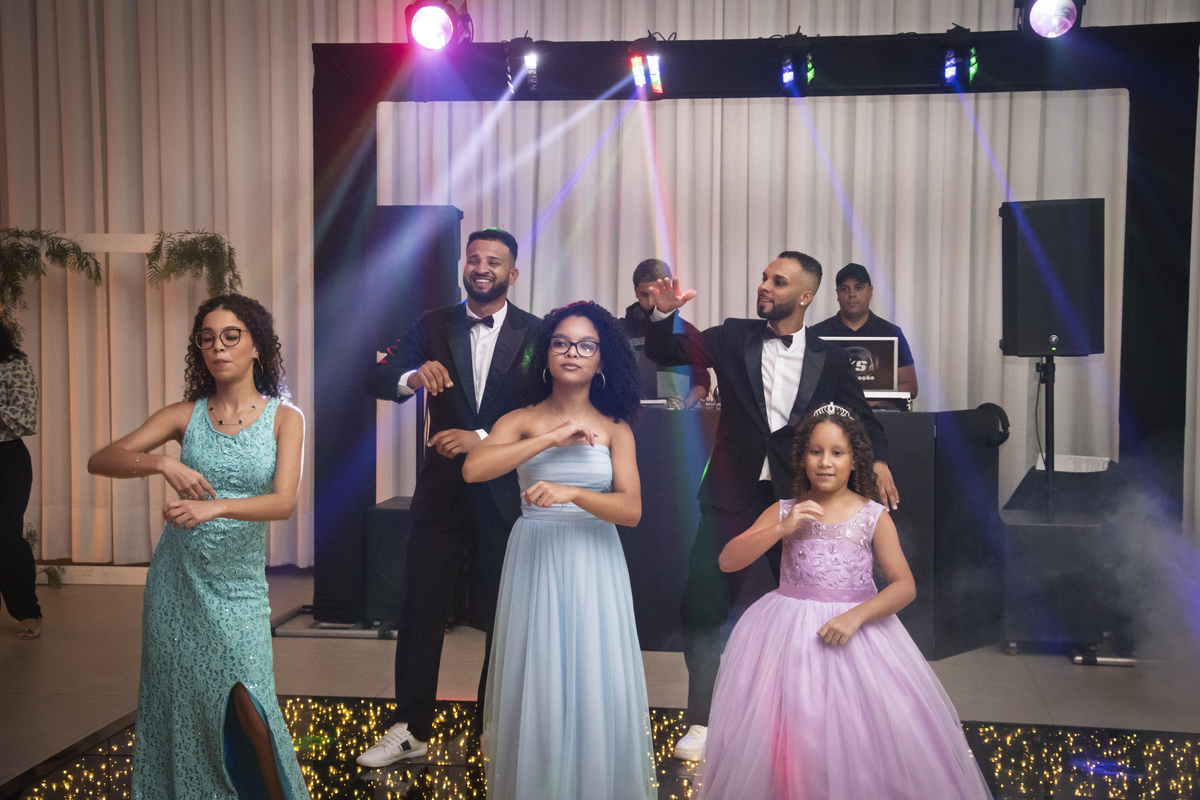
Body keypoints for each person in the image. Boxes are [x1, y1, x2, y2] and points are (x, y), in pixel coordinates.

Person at [644, 250, 900, 761]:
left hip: (800, 497)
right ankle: (702, 721)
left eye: (778, 281)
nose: (764, 286)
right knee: (702, 605)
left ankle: (815, 721)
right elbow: (667, 351)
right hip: (731, 493)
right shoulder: (731, 336)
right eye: (763, 277)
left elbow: (863, 419)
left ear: (805, 296)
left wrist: (880, 461)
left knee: (810, 609)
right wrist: (661, 315)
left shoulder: (829, 357)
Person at [698, 407, 991, 799]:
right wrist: (782, 527)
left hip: (858, 634)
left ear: (854, 461)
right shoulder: (784, 509)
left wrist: (856, 616)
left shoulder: (872, 516)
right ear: (802, 457)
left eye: (837, 453)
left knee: (859, 734)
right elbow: (727, 560)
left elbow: (904, 586)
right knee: (795, 732)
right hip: (786, 637)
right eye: (816, 451)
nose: (825, 462)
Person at [87, 294, 308, 800]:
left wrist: (214, 507)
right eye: (207, 339)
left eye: (231, 336)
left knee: (251, 706)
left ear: (257, 345)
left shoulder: (285, 418)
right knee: (183, 705)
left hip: (238, 589)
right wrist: (162, 463)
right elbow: (102, 459)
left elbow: (283, 503)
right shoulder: (184, 415)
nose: (218, 348)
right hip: (178, 584)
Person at [358, 228, 542, 767]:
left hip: (506, 495)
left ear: (513, 273)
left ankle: (492, 726)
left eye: (495, 261)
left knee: (502, 615)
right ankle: (410, 728)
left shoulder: (536, 332)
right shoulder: (434, 324)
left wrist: (482, 438)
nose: (482, 267)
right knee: (421, 608)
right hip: (441, 493)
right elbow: (376, 376)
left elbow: (543, 405)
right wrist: (413, 375)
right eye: (474, 258)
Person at [462, 301, 656, 800]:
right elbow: (474, 469)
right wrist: (549, 438)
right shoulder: (522, 420)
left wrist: (574, 494)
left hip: (594, 558)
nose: (572, 352)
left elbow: (631, 510)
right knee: (540, 676)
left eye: (586, 345)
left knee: (593, 675)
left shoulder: (616, 428)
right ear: (546, 354)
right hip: (536, 554)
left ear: (602, 359)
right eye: (562, 343)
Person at [808, 262, 918, 402]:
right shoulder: (817, 334)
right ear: (837, 294)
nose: (851, 294)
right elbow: (805, 385)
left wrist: (870, 404)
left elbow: (910, 386)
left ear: (870, 292)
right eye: (845, 289)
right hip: (831, 413)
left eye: (858, 288)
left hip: (878, 412)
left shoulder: (891, 332)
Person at [619, 258, 710, 407]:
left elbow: (702, 381)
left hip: (676, 415)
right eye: (644, 294)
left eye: (656, 294)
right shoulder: (618, 331)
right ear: (636, 291)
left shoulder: (687, 331)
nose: (650, 302)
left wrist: (686, 404)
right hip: (628, 416)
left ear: (668, 289)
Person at [0, 318, 42, 640]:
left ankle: (27, 610)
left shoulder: (14, 365)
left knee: (6, 536)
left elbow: (25, 417)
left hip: (6, 458)